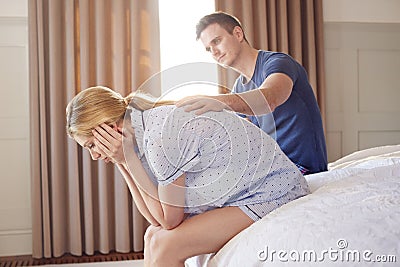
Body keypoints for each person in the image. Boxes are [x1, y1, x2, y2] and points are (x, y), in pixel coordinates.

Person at [66, 86, 310, 267]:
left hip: (273, 192)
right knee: (152, 236)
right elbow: (157, 221)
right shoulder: (141, 132)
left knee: (166, 245)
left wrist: (126, 160)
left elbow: (170, 221)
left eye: (90, 146)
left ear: (110, 128)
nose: (95, 156)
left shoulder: (159, 137)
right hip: (245, 192)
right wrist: (123, 161)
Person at [176, 11, 327, 175]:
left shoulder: (278, 63)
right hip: (273, 170)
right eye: (208, 49)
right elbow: (244, 138)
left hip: (303, 169)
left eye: (217, 41)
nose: (214, 52)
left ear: (238, 34)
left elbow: (269, 98)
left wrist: (218, 101)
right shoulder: (239, 88)